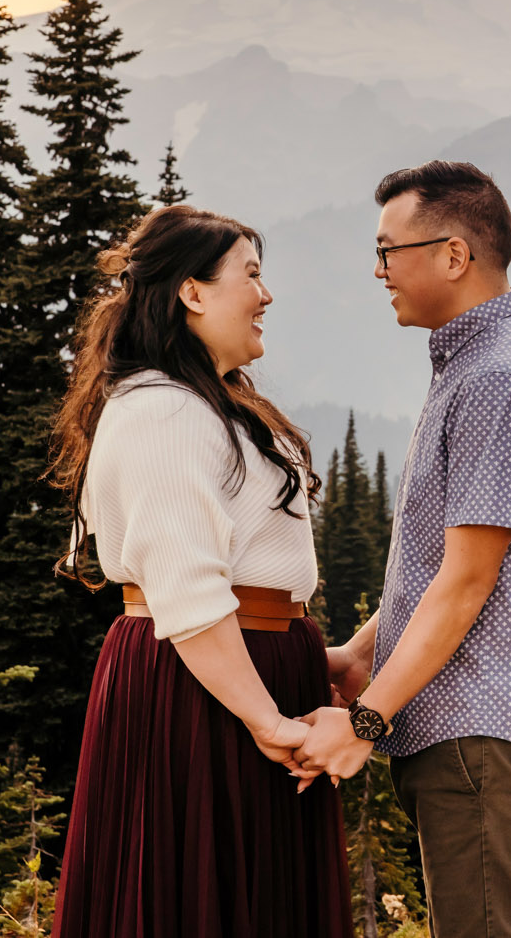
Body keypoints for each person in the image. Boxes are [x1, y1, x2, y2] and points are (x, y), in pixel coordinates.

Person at [294, 161, 511, 938]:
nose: (379, 269)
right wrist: (368, 651)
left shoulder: (504, 376)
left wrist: (363, 722)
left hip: (478, 728)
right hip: (471, 727)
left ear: (454, 256)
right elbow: (452, 559)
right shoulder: (487, 360)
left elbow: (467, 583)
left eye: (390, 250)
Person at [49, 205, 351, 938]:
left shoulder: (209, 405)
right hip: (200, 685)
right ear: (192, 293)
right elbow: (186, 589)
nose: (266, 295)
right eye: (251, 275)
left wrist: (311, 658)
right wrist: (267, 718)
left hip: (237, 670)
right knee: (202, 897)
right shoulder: (162, 412)